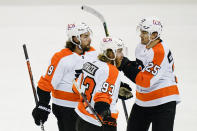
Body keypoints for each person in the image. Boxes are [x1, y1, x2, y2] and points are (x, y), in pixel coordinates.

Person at [32, 22, 98, 131]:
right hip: (66, 108)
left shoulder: (93, 53)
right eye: (85, 36)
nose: (89, 39)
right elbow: (46, 84)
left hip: (87, 107)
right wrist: (42, 105)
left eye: (89, 36)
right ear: (75, 39)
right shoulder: (61, 58)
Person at [118, 17, 181, 131]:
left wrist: (125, 66)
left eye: (144, 32)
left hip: (163, 101)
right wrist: (124, 63)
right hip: (143, 101)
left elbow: (145, 81)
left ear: (154, 35)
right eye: (141, 31)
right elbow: (142, 69)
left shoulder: (160, 52)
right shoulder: (140, 47)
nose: (140, 35)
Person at [73, 36, 132, 131]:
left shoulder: (91, 63)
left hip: (81, 120)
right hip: (99, 123)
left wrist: (115, 90)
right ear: (110, 53)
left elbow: (75, 87)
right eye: (119, 51)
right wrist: (108, 119)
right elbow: (101, 101)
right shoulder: (112, 70)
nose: (122, 55)